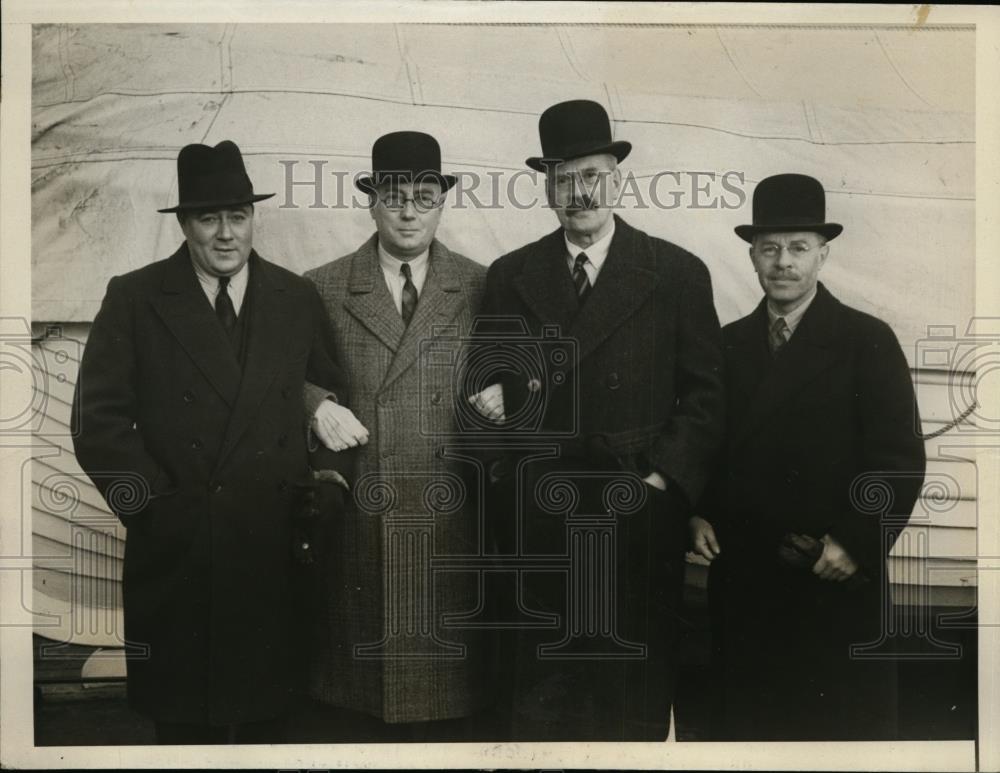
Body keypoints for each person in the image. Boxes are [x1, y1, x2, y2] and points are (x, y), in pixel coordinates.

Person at [71, 140, 353, 744]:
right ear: (184, 223)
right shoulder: (135, 297)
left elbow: (332, 403)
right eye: (209, 218)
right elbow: (98, 426)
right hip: (178, 558)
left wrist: (327, 486)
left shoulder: (294, 297)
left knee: (271, 726)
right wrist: (153, 509)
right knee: (184, 731)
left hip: (275, 551)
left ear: (254, 218)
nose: (227, 234)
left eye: (239, 216)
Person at [469, 99, 726, 741]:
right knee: (544, 699)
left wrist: (663, 482)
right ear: (546, 188)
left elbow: (706, 396)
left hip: (636, 515)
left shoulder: (675, 272)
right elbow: (485, 385)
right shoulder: (510, 276)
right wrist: (509, 460)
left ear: (617, 178)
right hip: (543, 519)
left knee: (629, 699)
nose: (578, 192)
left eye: (591, 174)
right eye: (562, 178)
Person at [691, 173, 926, 740]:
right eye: (770, 248)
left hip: (830, 580)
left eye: (798, 247)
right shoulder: (726, 344)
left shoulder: (867, 340)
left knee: (831, 738)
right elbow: (703, 442)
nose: (784, 262)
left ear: (824, 254)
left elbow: (898, 460)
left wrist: (855, 541)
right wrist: (695, 511)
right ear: (751, 256)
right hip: (746, 585)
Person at [297, 131, 491, 741]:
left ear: (442, 203)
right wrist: (314, 403)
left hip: (451, 514)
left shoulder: (484, 285)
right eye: (394, 195)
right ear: (372, 202)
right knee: (357, 710)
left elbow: (522, 372)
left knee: (449, 706)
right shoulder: (321, 286)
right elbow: (275, 375)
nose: (409, 210)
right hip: (362, 516)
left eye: (424, 195)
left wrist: (512, 385)